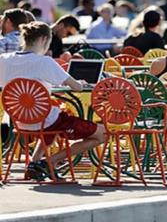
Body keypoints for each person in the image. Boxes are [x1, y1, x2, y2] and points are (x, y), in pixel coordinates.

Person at [0, 21, 105, 180]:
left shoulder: (4, 60)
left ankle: (34, 164)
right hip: (46, 120)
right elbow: (76, 87)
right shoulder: (44, 62)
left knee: (50, 123)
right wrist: (81, 83)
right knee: (103, 134)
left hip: (19, 120)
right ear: (43, 39)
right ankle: (50, 162)